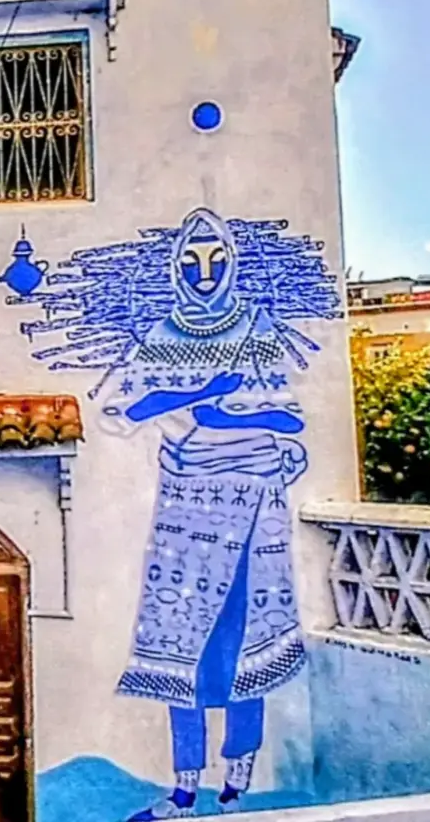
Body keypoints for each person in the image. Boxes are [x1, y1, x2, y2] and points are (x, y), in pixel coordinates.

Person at [97, 208, 312, 819]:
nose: (204, 272)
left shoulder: (256, 327)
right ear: (175, 267)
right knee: (181, 641)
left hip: (251, 506)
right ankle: (185, 788)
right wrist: (201, 394)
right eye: (191, 260)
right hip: (187, 509)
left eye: (216, 259)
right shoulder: (163, 335)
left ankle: (237, 784)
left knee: (246, 644)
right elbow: (122, 409)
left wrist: (233, 419)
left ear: (232, 261)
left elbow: (289, 415)